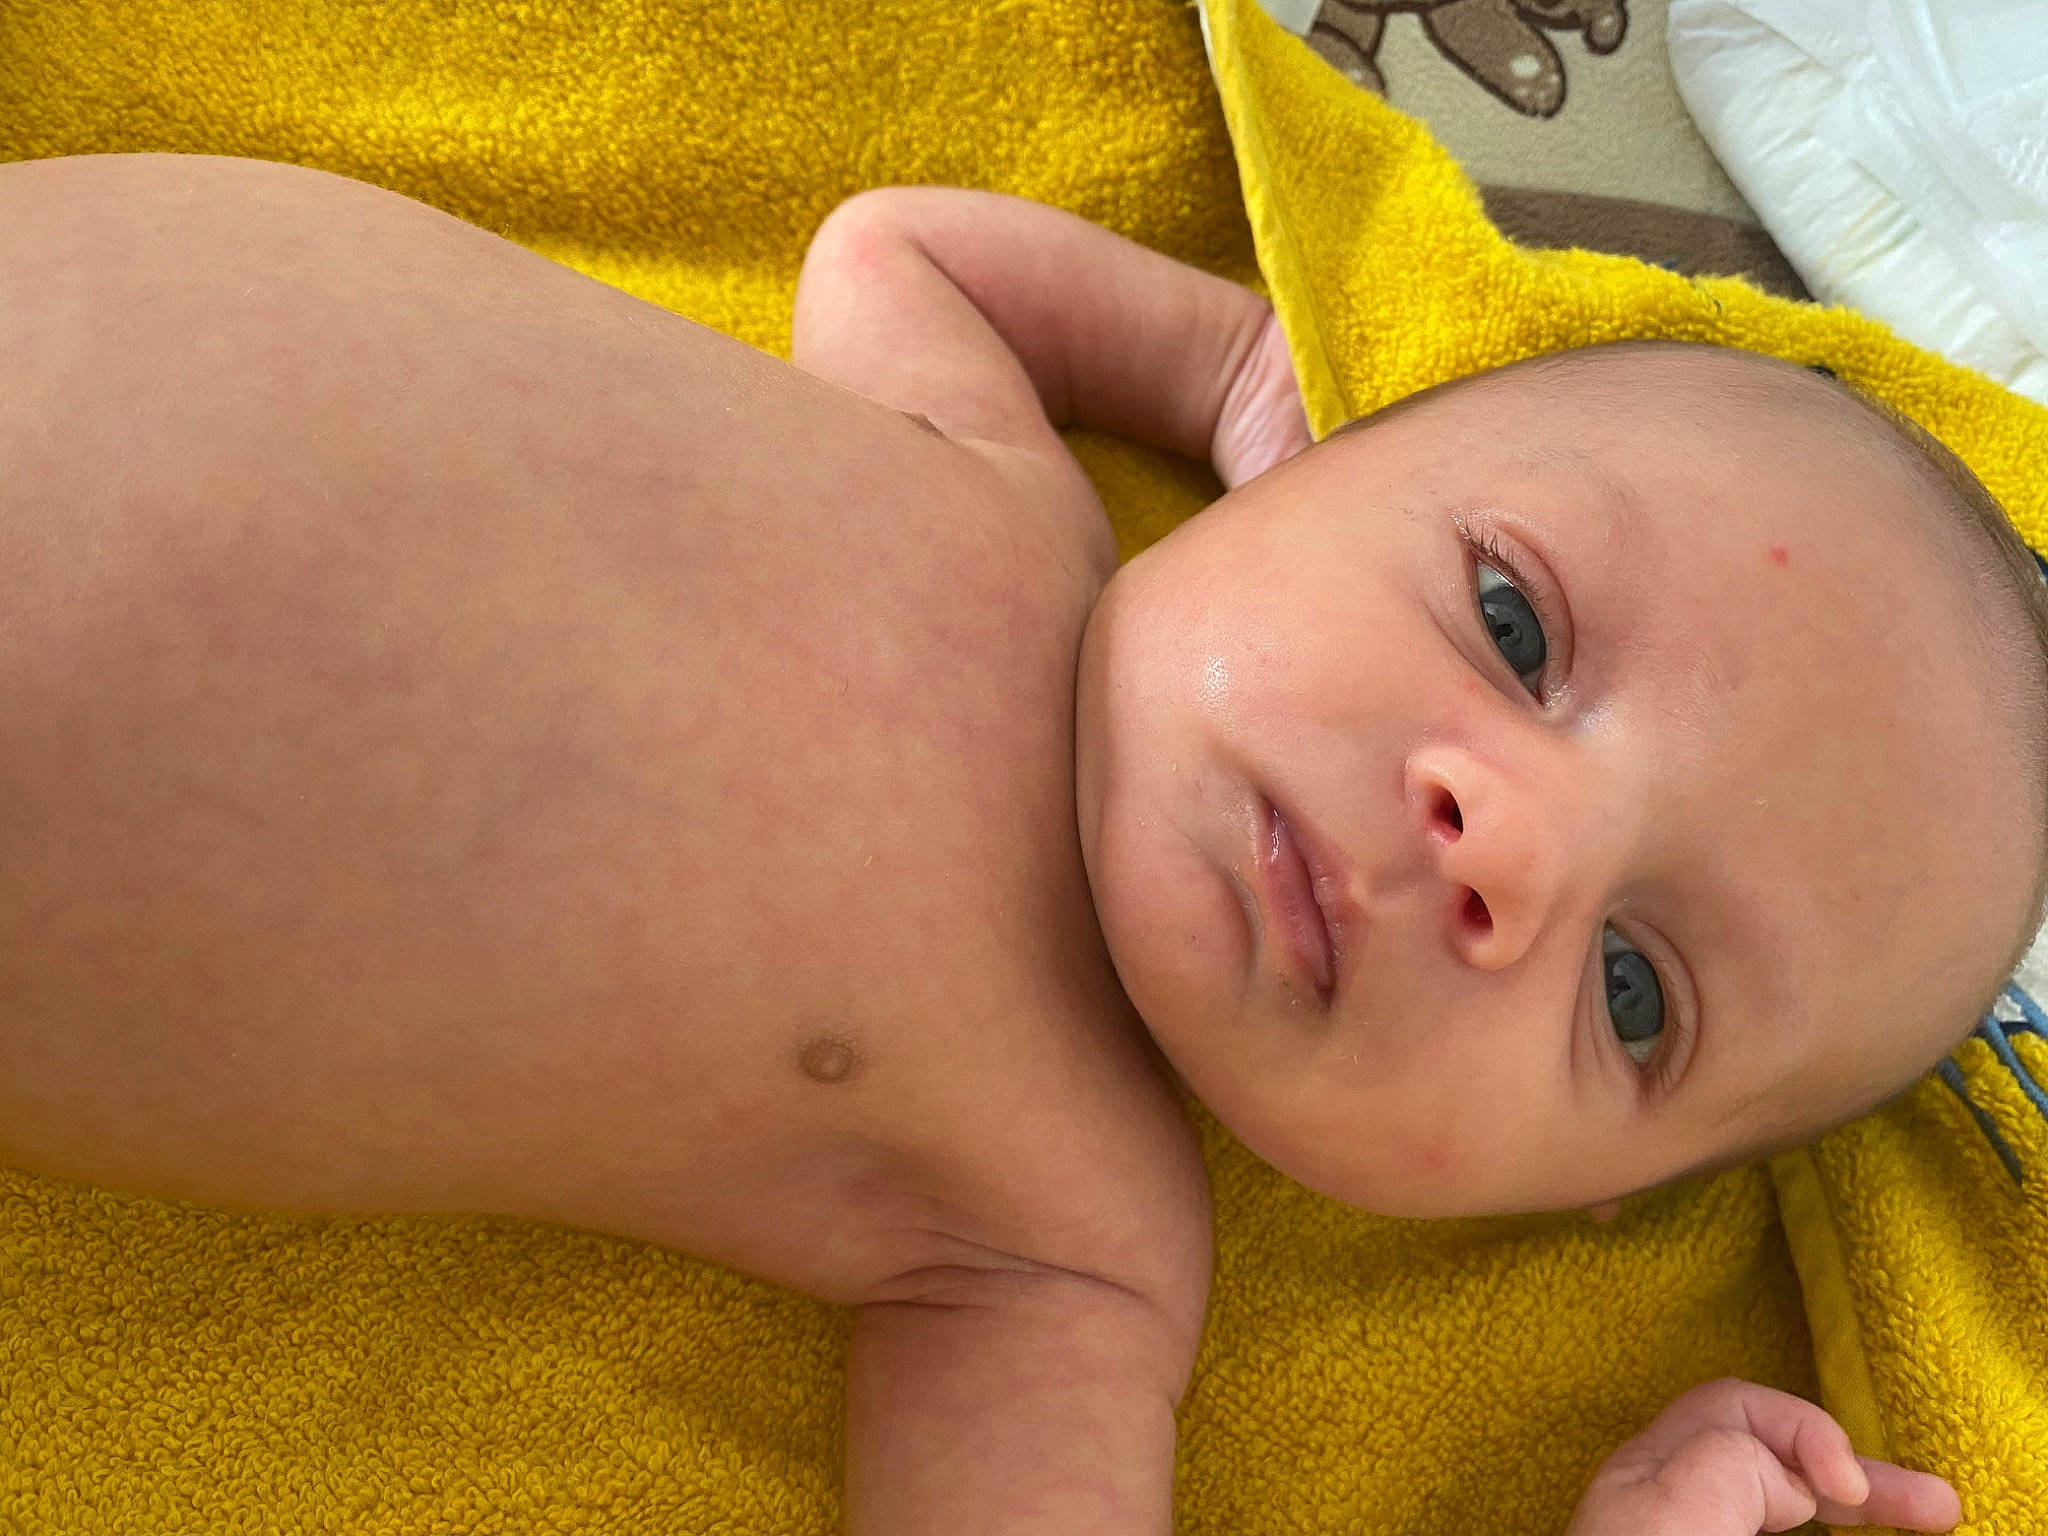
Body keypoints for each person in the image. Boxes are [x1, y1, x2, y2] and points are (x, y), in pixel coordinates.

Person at [1, 150, 2028, 1535]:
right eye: (1508, 621)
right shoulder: (999, 482)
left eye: (1634, 992)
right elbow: (902, 243)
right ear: (1319, 472)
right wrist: (1231, 361)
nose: (1510, 851)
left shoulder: (1058, 1244)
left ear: (1585, 1202)